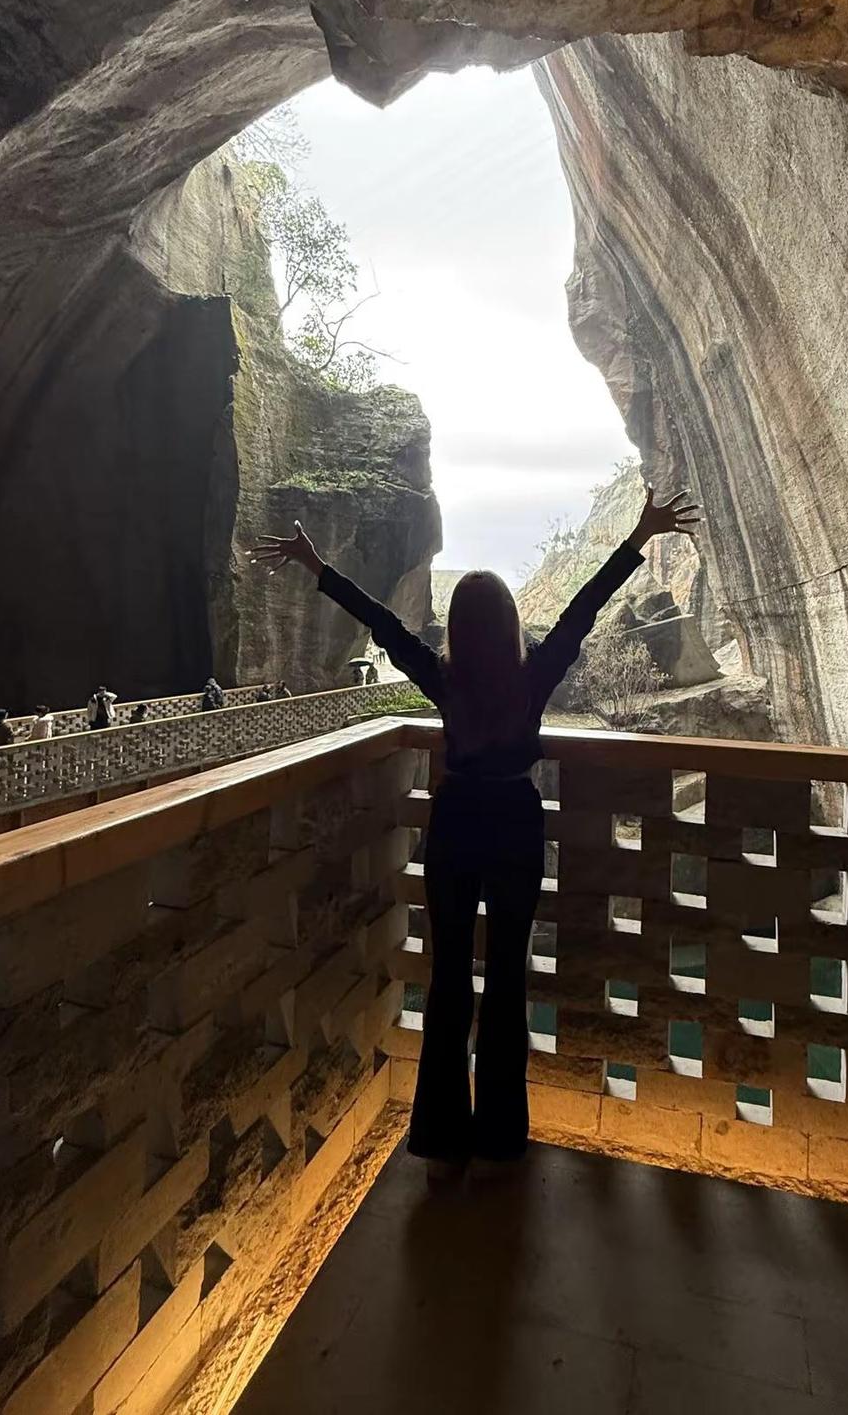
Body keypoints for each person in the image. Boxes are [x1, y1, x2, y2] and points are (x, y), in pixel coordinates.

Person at [249, 483, 700, 1181]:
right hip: (517, 823)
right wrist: (639, 535)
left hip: (457, 823)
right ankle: (500, 1136)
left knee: (450, 979)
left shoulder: (443, 677)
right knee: (508, 982)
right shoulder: (534, 674)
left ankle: (439, 1137)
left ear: (460, 627)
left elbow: (384, 626)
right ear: (512, 622)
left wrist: (317, 567)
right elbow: (585, 608)